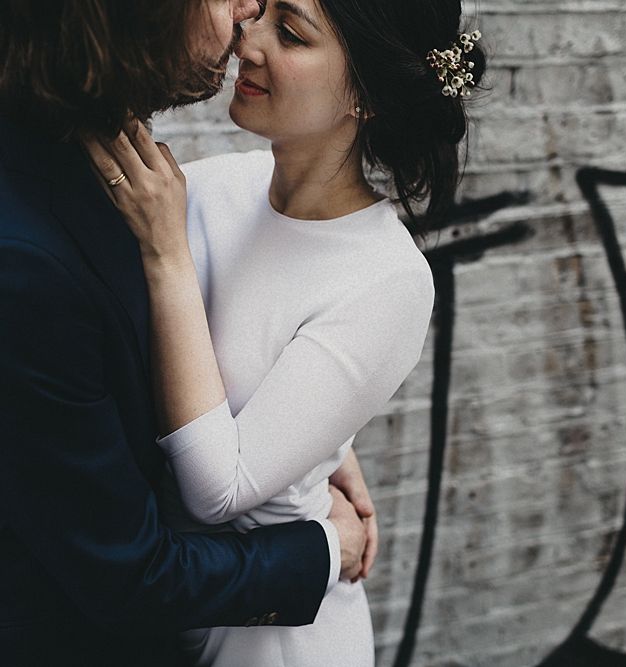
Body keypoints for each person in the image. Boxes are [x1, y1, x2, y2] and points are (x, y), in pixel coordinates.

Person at [84, 0, 486, 664]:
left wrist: (166, 255)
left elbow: (219, 490)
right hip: (161, 612)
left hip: (274, 639)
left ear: (367, 97)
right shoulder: (206, 188)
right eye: (260, 13)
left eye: (291, 34)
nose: (247, 41)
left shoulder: (388, 276)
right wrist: (327, 443)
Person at [0, 2, 372, 666]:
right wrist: (322, 550)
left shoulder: (97, 146)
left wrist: (312, 437)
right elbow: (129, 576)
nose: (249, 8)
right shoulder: (27, 262)